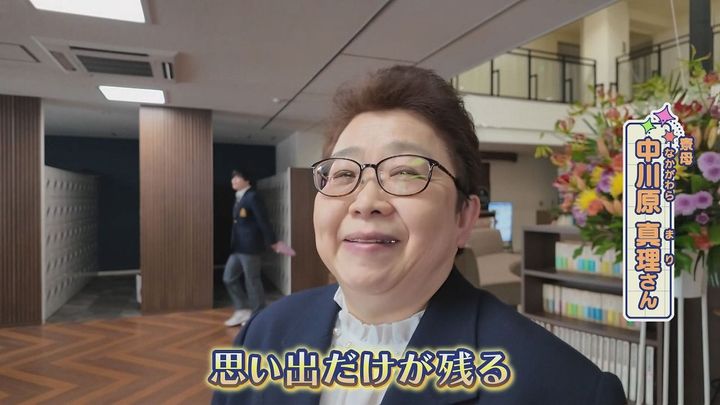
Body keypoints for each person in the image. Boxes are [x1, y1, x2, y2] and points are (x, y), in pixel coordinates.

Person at [212, 66, 626, 404]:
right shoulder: (264, 334)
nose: (365, 202)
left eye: (406, 172)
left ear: (464, 217)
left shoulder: (566, 389)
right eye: (343, 174)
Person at [222, 170, 295, 327]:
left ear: (247, 180)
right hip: (238, 247)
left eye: (237, 178)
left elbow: (263, 220)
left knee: (252, 280)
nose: (233, 180)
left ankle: (258, 313)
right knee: (229, 277)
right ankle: (242, 309)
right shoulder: (240, 197)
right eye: (233, 178)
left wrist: (273, 242)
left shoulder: (252, 197)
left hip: (250, 247)